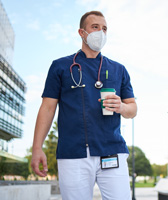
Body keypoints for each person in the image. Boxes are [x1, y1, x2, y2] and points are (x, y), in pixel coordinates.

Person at [31, 11, 137, 200]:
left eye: (104, 29)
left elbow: (132, 109)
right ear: (81, 32)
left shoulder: (118, 69)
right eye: (95, 27)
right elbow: (47, 108)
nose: (100, 32)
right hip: (73, 153)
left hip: (112, 151)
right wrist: (37, 147)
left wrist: (121, 106)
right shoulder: (60, 66)